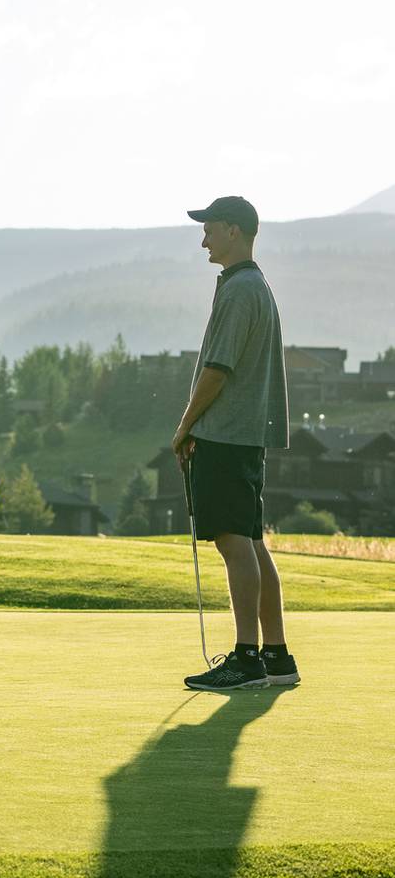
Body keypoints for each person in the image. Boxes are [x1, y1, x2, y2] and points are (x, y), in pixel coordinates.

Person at [172, 195, 298, 692]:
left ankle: (247, 658)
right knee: (250, 541)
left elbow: (216, 372)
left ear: (232, 229)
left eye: (208, 228)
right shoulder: (252, 285)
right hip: (245, 436)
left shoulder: (240, 290)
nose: (203, 238)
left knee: (233, 541)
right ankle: (276, 654)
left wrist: (185, 427)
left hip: (225, 434)